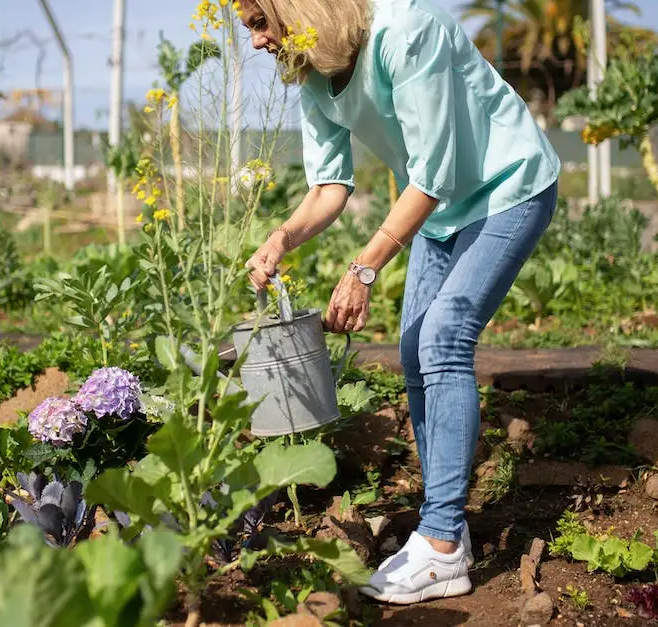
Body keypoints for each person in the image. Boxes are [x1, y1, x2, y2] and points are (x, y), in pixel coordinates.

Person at [240, 0, 561, 606]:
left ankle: (440, 544)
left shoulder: (407, 31)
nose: (256, 42)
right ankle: (445, 530)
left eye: (260, 22)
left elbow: (434, 170)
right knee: (415, 351)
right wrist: (281, 237)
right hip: (443, 215)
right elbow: (329, 185)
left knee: (443, 338)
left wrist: (364, 267)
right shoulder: (314, 69)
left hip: (507, 187)